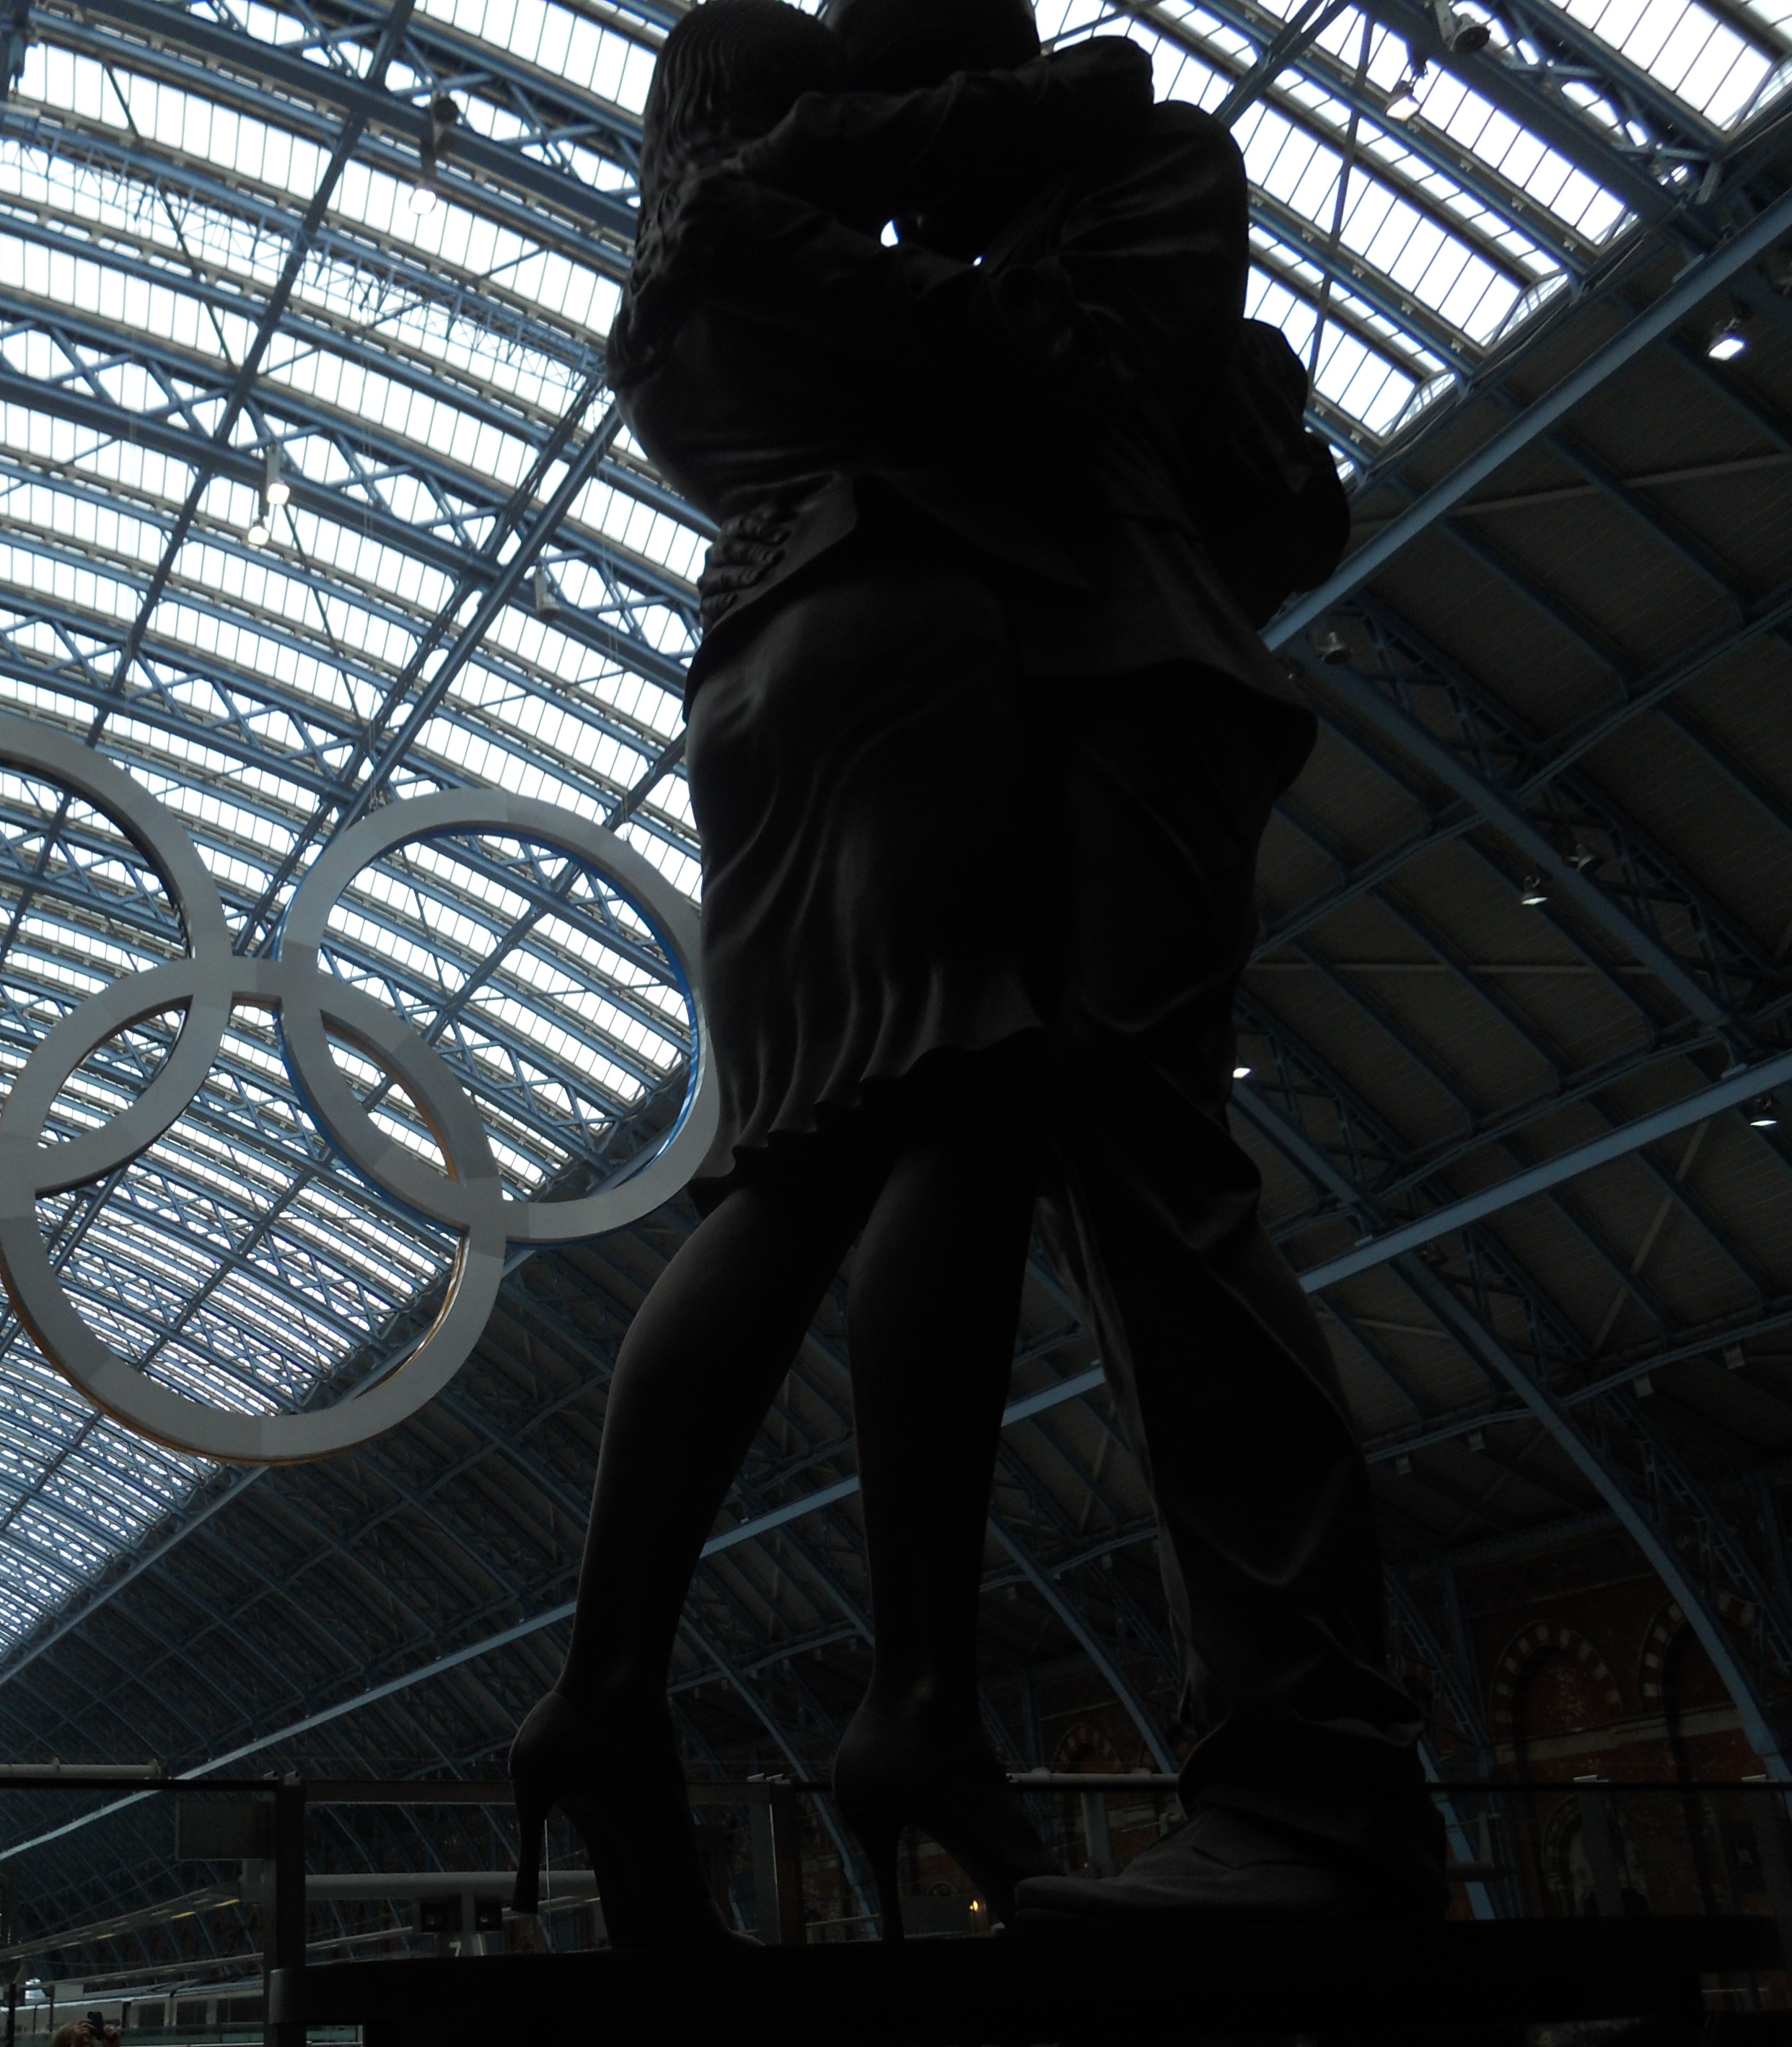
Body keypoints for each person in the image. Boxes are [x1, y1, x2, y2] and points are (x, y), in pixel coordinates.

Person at [515, 0, 1445, 1939]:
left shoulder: (1137, 167)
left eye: (913, 88)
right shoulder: (855, 252)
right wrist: (888, 164)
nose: (902, 134)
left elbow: (1070, 365)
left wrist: (858, 169)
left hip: (1120, 684)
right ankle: (996, 1720)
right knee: (1000, 1155)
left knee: (1120, 1183)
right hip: (954, 689)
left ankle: (1296, 1782)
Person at [509, 0, 1151, 1947]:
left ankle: (608, 1690)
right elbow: (1019, 358)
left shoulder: (665, 301)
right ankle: (918, 1696)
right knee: (962, 1098)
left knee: (792, 1171)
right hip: (890, 647)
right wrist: (996, 119)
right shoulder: (762, 235)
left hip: (753, 696)